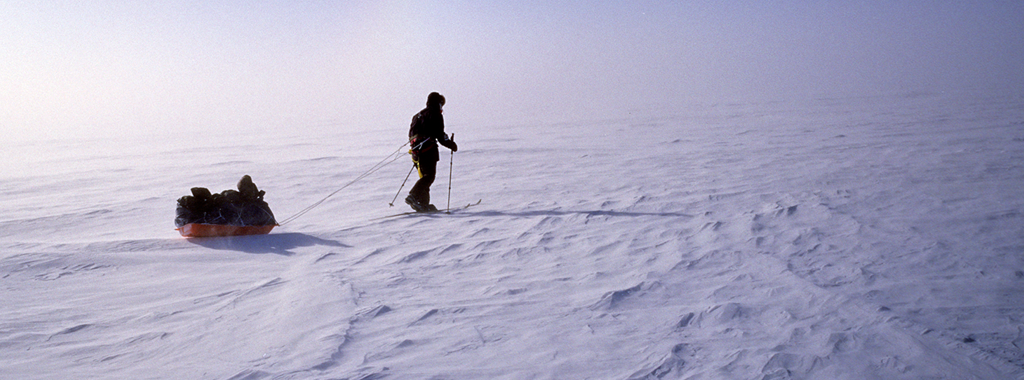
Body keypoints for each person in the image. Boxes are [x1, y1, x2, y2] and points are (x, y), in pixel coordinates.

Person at [405, 92, 457, 212]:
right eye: (441, 104)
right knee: (429, 177)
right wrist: (451, 145)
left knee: (424, 177)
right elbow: (439, 134)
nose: (442, 108)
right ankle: (413, 196)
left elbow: (411, 134)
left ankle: (422, 204)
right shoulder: (435, 114)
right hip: (428, 149)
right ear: (438, 103)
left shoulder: (417, 115)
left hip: (415, 151)